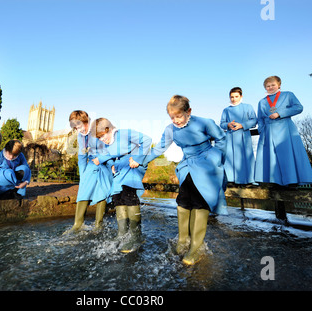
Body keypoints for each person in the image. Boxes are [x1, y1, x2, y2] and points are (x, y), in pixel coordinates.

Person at [143, 95, 228, 265]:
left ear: (188, 111)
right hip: (187, 165)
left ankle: (195, 248)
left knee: (200, 202)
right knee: (182, 201)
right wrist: (140, 160)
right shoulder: (170, 129)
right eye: (172, 117)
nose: (176, 121)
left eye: (179, 116)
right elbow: (159, 148)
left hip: (206, 164)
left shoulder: (205, 123)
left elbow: (222, 139)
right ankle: (183, 241)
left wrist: (215, 158)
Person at [91, 117, 152, 253]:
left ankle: (136, 235)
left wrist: (138, 158)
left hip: (131, 165)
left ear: (108, 129)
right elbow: (109, 155)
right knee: (117, 198)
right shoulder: (108, 144)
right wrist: (110, 164)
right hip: (119, 168)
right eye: (99, 138)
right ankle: (122, 233)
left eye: (102, 136)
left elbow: (147, 140)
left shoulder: (125, 134)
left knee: (128, 194)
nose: (102, 140)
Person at [255, 76, 312, 186]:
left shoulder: (288, 95)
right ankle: (273, 181)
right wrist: (262, 131)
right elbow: (260, 118)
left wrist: (280, 113)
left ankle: (291, 181)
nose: (270, 87)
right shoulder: (262, 102)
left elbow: (298, 107)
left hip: (285, 130)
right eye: (268, 86)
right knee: (271, 157)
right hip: (268, 132)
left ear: (279, 85)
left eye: (273, 85)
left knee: (287, 155)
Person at [64, 111, 113, 233]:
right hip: (92, 163)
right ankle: (77, 224)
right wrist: (83, 174)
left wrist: (110, 165)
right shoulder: (81, 136)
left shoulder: (97, 127)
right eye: (75, 128)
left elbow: (110, 148)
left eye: (79, 126)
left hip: (106, 162)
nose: (78, 130)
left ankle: (98, 225)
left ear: (86, 121)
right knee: (86, 180)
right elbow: (81, 156)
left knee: (102, 184)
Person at [0, 139, 31, 212]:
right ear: (6, 149)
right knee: (8, 173)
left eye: (14, 156)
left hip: (14, 183)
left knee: (24, 169)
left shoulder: (20, 156)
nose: (11, 157)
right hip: (0, 182)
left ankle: (17, 192)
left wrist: (26, 182)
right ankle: (7, 190)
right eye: (9, 153)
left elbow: (28, 169)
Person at [220, 87, 257, 185]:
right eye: (232, 97)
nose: (234, 99)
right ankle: (230, 179)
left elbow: (254, 120)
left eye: (236, 96)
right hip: (230, 137)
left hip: (243, 136)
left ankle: (249, 179)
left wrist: (242, 125)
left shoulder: (248, 107)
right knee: (230, 158)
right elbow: (222, 123)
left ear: (241, 96)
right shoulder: (226, 110)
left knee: (246, 157)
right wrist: (228, 124)